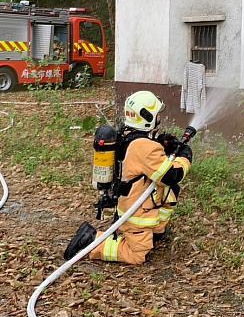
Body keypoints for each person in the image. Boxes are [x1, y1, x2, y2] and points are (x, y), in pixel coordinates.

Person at [64, 90, 193, 264]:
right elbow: (171, 176)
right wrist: (185, 157)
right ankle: (91, 240)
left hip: (129, 202)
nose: (159, 119)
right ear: (148, 118)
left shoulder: (128, 136)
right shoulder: (144, 147)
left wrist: (164, 143)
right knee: (137, 255)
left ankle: (156, 231)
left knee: (170, 192)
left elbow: (145, 158)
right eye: (157, 115)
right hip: (136, 212)